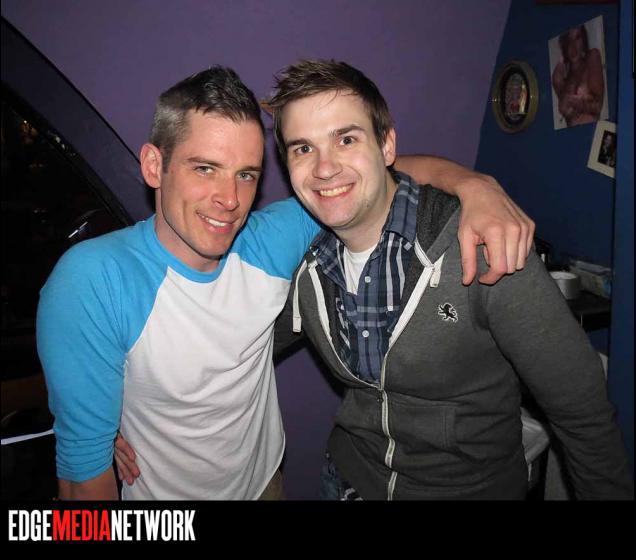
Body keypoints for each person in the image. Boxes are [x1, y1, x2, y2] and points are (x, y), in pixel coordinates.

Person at [38, 66, 535, 500]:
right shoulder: (94, 280)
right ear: (154, 165)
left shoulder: (270, 239)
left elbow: (372, 175)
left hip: (266, 485)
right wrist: (103, 422)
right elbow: (83, 484)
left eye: (246, 175)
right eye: (205, 169)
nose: (229, 199)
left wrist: (475, 185)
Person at [263, 60, 631, 499]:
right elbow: (242, 349)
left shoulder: (481, 245)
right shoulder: (299, 261)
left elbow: (582, 412)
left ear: (386, 145)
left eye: (346, 139)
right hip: (348, 481)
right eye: (303, 148)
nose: (324, 168)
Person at [551, 24, 605, 128]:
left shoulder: (592, 57)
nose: (573, 46)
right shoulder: (563, 79)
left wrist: (571, 100)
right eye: (569, 40)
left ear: (583, 40)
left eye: (577, 37)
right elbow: (564, 108)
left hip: (593, 132)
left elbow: (597, 106)